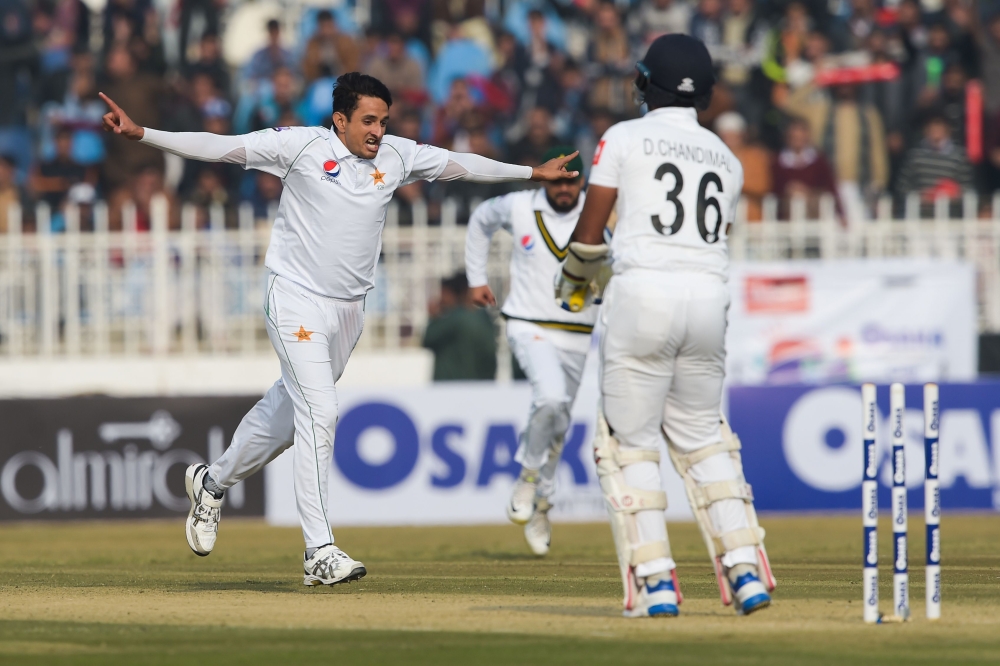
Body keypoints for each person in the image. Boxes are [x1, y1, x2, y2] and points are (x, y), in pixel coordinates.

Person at [100, 72, 579, 586]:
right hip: (294, 298)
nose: (378, 131)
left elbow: (461, 165)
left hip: (349, 310)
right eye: (369, 121)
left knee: (288, 414)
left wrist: (531, 172)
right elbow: (222, 147)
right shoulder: (300, 147)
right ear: (341, 120)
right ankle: (319, 553)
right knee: (321, 410)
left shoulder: (396, 155)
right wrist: (144, 134)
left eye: (384, 121)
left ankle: (212, 483)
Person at [557, 34, 774, 618]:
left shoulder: (622, 137)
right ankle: (746, 571)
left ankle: (655, 581)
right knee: (704, 436)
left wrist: (575, 281)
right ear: (705, 93)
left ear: (642, 83)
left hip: (641, 295)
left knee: (630, 446)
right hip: (708, 299)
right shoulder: (726, 158)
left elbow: (590, 228)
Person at [465, 146, 594, 556]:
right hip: (527, 323)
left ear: (582, 181)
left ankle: (542, 505)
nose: (564, 187)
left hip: (579, 331)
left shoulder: (598, 211)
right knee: (551, 397)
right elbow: (480, 221)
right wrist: (475, 278)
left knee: (559, 424)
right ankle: (528, 474)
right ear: (547, 176)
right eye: (557, 178)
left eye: (571, 180)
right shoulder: (519, 205)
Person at [422, 273, 497, 381]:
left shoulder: (454, 319)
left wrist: (433, 318)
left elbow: (428, 339)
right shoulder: (484, 318)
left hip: (452, 388)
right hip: (479, 386)